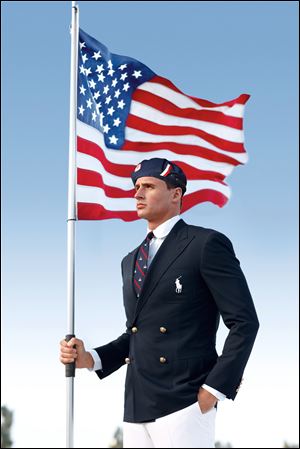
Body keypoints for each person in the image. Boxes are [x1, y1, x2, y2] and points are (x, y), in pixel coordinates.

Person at [60, 158, 259, 448]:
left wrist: (213, 390)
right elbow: (139, 333)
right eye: (136, 187)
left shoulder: (205, 244)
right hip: (137, 403)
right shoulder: (130, 260)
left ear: (176, 194)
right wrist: (89, 358)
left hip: (185, 401)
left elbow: (244, 322)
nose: (137, 194)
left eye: (149, 186)